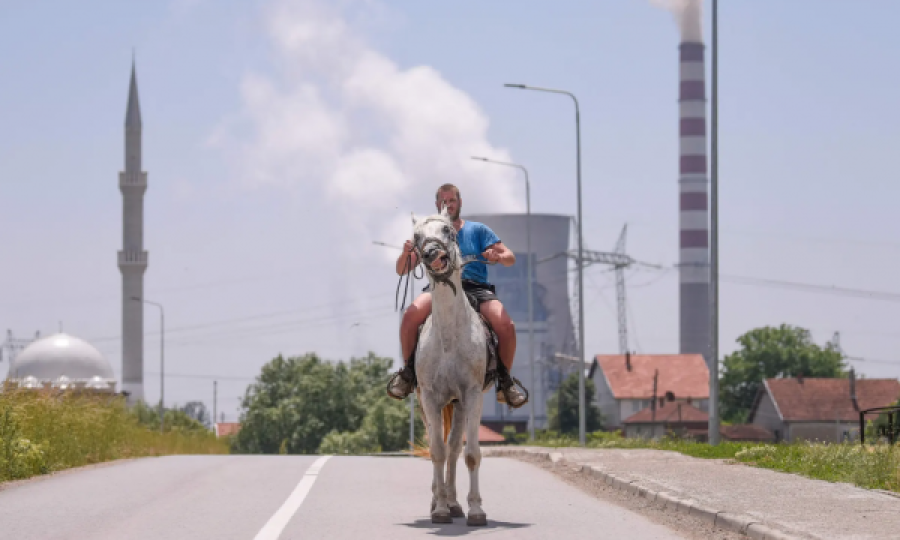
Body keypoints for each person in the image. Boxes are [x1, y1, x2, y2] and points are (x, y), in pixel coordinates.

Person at [387, 183, 528, 408]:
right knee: (410, 316)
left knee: (506, 325)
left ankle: (505, 380)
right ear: (437, 205)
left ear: (459, 203)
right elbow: (402, 269)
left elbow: (510, 257)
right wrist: (406, 253)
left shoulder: (478, 230)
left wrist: (497, 256)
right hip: (439, 288)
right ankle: (408, 374)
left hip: (475, 288)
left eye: (452, 201)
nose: (448, 205)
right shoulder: (428, 231)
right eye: (444, 201)